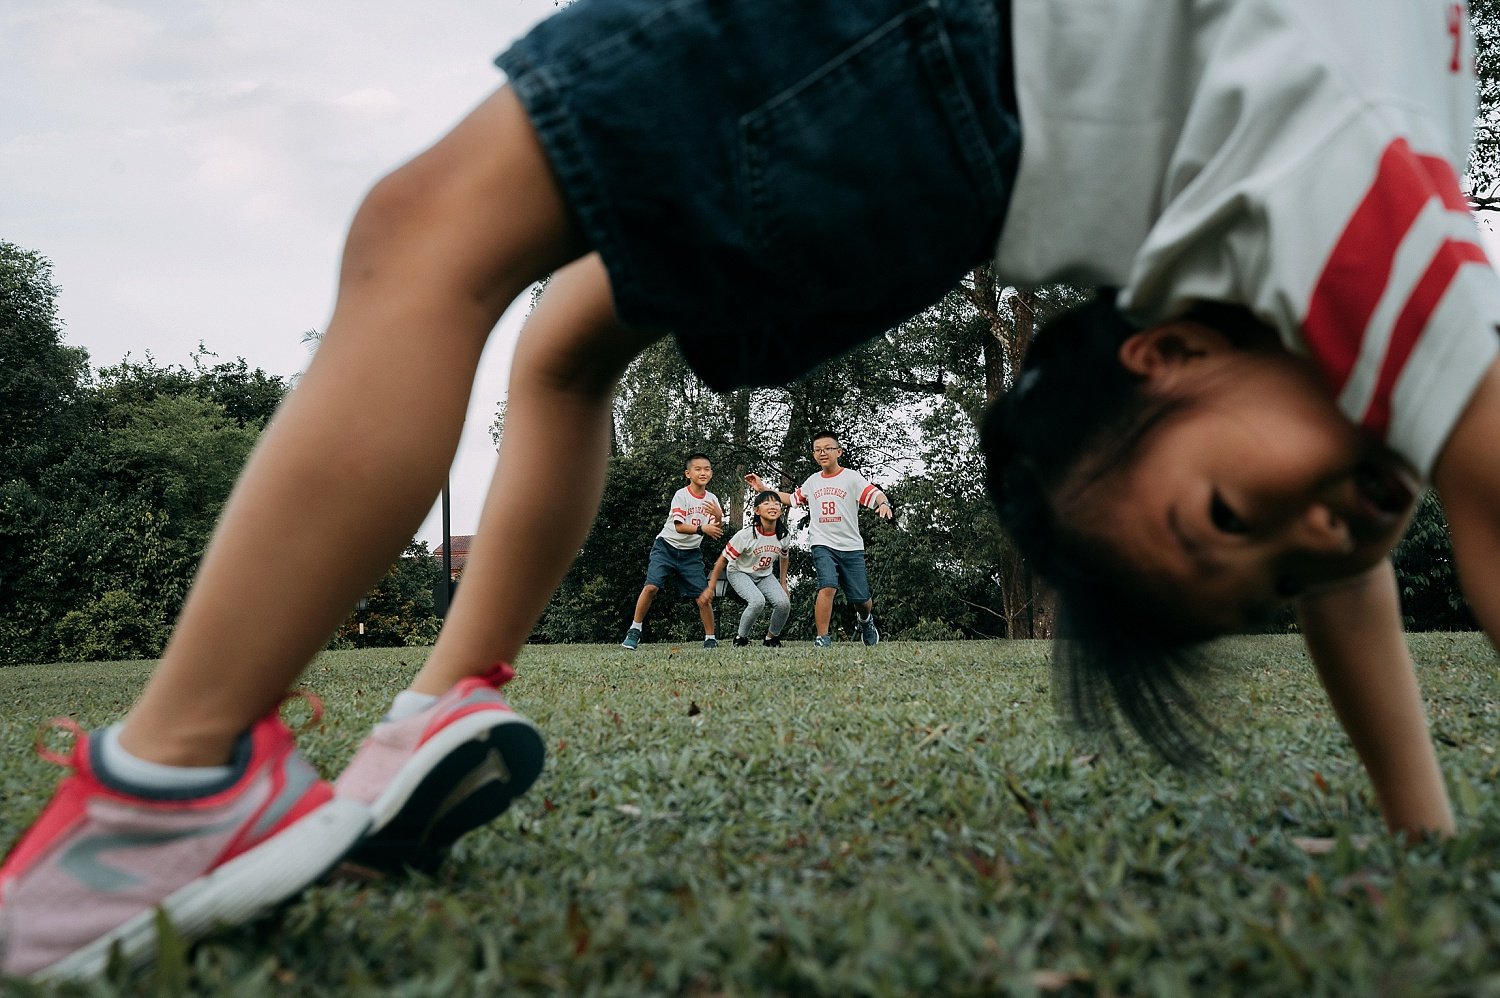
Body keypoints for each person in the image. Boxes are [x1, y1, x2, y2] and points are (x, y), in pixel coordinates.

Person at [5, 0, 1500, 979]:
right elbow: (1377, 543)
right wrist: (1419, 826)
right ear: (1166, 350)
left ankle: (166, 785)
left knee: (430, 233)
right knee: (572, 332)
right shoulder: (1372, 286)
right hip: (973, 111)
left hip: (961, 57)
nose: (1337, 528)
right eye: (1259, 530)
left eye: (1262, 543)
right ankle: (439, 703)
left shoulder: (1360, 227)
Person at [745, 434, 893, 647]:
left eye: (828, 448)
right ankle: (822, 637)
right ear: (814, 454)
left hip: (851, 547)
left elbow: (875, 494)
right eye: (817, 449)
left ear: (839, 452)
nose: (823, 452)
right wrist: (763, 489)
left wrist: (883, 504)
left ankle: (865, 621)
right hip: (822, 544)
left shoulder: (852, 478)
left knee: (861, 599)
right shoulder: (812, 481)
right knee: (827, 586)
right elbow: (791, 499)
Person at [621, 453, 725, 650]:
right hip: (666, 547)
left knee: (703, 596)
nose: (703, 472)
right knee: (652, 587)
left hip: (691, 553)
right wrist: (702, 529)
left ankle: (710, 639)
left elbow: (715, 531)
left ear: (711, 473)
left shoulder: (712, 499)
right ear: (688, 473)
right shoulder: (681, 495)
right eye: (698, 469)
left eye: (707, 469)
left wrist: (718, 517)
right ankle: (634, 630)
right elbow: (679, 526)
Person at [700, 491, 792, 647]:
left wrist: (783, 582)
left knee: (783, 603)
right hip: (739, 572)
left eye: (776, 503)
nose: (772, 506)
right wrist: (711, 587)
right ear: (757, 511)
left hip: (764, 574)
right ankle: (740, 638)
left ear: (781, 511)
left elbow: (784, 557)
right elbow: (722, 560)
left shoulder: (783, 535)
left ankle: (771, 638)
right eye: (766, 503)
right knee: (757, 601)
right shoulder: (746, 535)